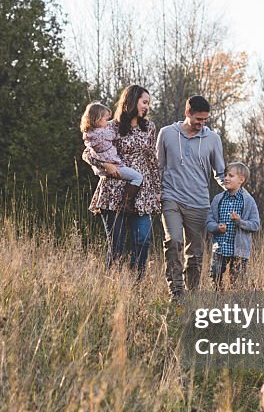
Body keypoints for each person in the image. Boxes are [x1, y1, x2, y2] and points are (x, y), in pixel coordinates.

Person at [87, 85, 162, 277]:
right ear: (131, 100)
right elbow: (87, 153)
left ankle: (136, 285)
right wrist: (105, 164)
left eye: (148, 103)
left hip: (142, 192)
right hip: (113, 190)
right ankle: (113, 287)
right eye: (144, 102)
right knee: (116, 245)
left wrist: (157, 189)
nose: (147, 107)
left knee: (142, 240)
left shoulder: (149, 128)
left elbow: (152, 160)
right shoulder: (110, 126)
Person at [156, 95, 226, 300]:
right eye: (198, 119)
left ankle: (192, 294)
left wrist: (233, 192)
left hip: (199, 203)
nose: (201, 124)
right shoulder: (167, 134)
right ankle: (176, 292)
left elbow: (220, 172)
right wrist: (155, 192)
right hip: (171, 198)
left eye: (205, 120)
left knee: (195, 254)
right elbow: (157, 167)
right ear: (188, 113)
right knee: (173, 242)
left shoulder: (212, 138)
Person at [80, 102, 143, 212]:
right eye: (105, 119)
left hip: (104, 169)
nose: (108, 122)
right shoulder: (102, 134)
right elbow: (112, 134)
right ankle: (126, 202)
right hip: (114, 166)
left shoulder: (90, 134)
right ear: (97, 120)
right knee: (138, 177)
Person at [206, 162, 260, 290]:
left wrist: (240, 222)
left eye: (231, 175)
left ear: (241, 180)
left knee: (237, 282)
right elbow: (209, 221)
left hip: (239, 250)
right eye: (225, 175)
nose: (226, 178)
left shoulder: (248, 201)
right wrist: (217, 227)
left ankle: (235, 305)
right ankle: (216, 301)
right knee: (214, 277)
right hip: (220, 248)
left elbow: (255, 224)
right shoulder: (218, 199)